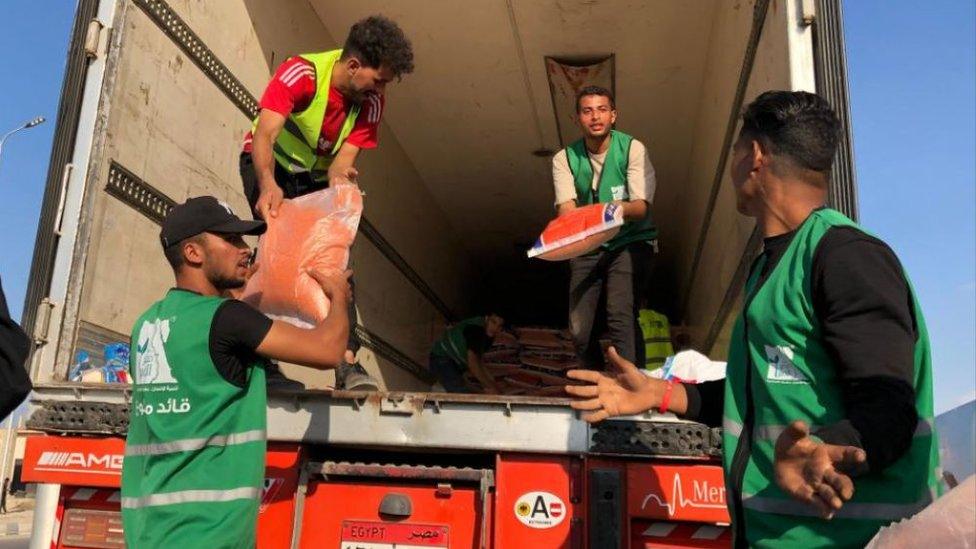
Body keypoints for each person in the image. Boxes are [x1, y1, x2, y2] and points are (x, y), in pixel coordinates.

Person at [565, 91, 940, 548]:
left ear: (756, 155)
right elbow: (757, 392)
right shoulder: (770, 268)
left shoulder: (846, 256)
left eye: (736, 151)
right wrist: (659, 393)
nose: (733, 167)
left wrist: (828, 448)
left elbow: (890, 405)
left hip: (847, 540)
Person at [121, 196, 351, 548]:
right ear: (194, 253)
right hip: (209, 533)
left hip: (150, 530)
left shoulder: (148, 323)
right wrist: (338, 298)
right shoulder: (228, 319)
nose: (245, 250)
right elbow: (328, 350)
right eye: (230, 241)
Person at [240, 15, 414, 390]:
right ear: (354, 65)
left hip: (314, 177)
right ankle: (259, 361)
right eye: (379, 79)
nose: (381, 89)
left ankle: (346, 364)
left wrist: (340, 191)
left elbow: (342, 163)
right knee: (271, 254)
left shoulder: (372, 104)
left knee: (334, 264)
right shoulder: (301, 74)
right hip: (269, 166)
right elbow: (265, 137)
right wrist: (268, 184)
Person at [552, 85, 658, 372]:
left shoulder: (633, 148)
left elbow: (640, 207)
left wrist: (605, 211)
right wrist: (584, 221)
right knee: (579, 330)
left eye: (602, 110)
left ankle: (635, 384)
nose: (595, 117)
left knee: (620, 314)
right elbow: (566, 211)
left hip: (630, 240)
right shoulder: (564, 158)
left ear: (613, 115)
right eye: (587, 111)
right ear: (577, 119)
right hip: (588, 246)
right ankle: (600, 383)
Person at [428, 314, 504, 394]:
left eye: (499, 326)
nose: (495, 328)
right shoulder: (476, 329)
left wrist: (494, 386)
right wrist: (489, 386)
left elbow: (479, 362)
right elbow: (473, 364)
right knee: (462, 395)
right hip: (442, 359)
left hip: (454, 365)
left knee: (471, 390)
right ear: (487, 318)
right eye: (493, 322)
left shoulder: (488, 336)